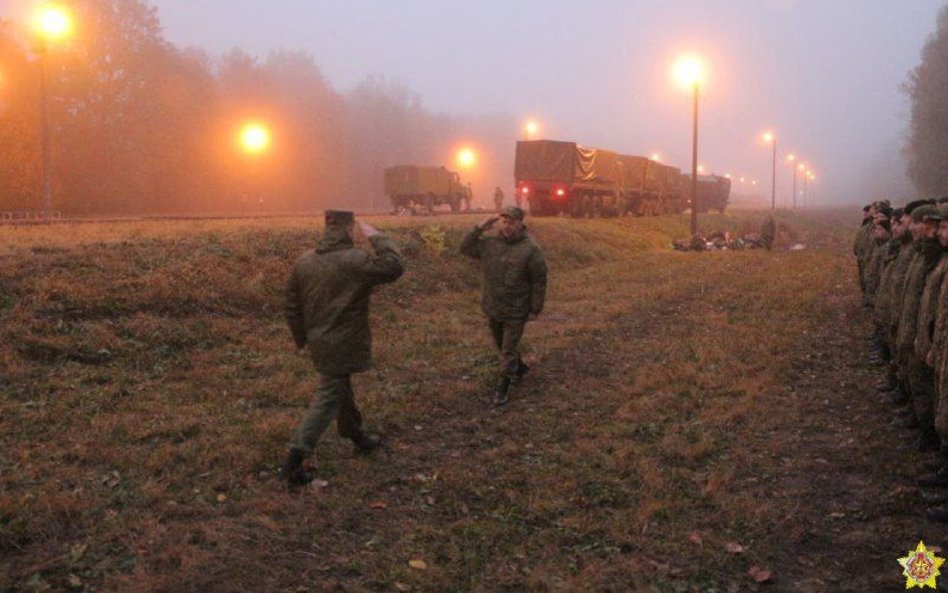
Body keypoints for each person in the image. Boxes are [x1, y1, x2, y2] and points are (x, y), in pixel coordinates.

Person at [281, 210, 404, 487]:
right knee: (329, 396)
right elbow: (394, 267)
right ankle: (294, 460)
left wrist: (302, 338)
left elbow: (291, 305)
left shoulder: (305, 262)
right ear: (349, 230)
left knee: (339, 385)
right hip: (345, 341)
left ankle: (357, 436)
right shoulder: (355, 260)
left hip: (319, 342)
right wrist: (377, 237)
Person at [460, 206, 548, 406]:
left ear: (520, 224)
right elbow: (464, 248)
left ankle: (504, 385)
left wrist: (535, 308)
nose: (507, 226)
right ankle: (520, 368)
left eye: (512, 222)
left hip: (517, 308)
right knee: (501, 344)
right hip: (493, 306)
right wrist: (479, 228)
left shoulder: (530, 249)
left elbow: (539, 280)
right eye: (504, 222)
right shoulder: (490, 244)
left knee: (508, 349)